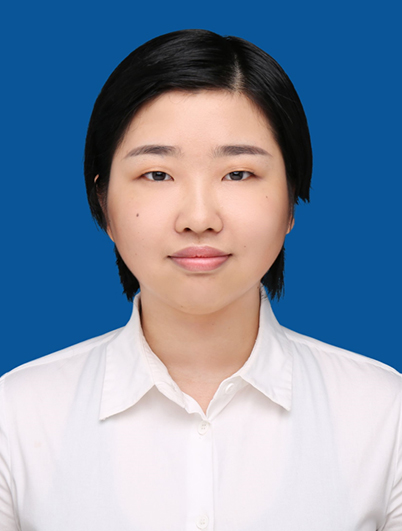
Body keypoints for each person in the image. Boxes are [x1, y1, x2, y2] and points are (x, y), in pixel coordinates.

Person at [0, 29, 400, 531]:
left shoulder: (385, 414)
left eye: (238, 174)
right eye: (157, 174)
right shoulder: (16, 416)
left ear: (291, 199)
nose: (198, 218)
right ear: (103, 204)